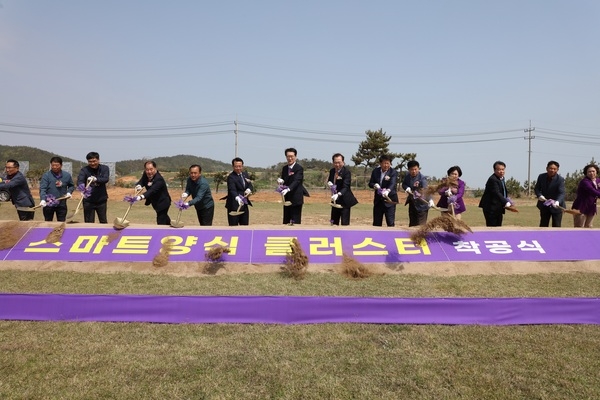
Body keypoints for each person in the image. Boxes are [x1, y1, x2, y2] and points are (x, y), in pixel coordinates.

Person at [135, 161, 171, 225]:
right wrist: (139, 185)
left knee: (160, 219)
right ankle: (171, 227)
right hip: (155, 202)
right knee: (164, 217)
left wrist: (141, 197)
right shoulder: (145, 174)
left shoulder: (159, 179)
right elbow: (142, 181)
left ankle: (162, 233)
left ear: (155, 168)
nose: (149, 172)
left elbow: (152, 190)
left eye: (151, 169)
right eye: (147, 170)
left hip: (163, 202)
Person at [279, 148, 309, 224]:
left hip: (296, 199)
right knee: (286, 221)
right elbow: (284, 180)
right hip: (287, 199)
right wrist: (281, 182)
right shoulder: (285, 168)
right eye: (288, 156)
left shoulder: (299, 168)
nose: (290, 158)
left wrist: (288, 189)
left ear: (295, 156)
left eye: (292, 156)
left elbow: (297, 181)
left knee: (295, 222)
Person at [77, 152, 110, 223]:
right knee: (89, 222)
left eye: (94, 161)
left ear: (98, 160)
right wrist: (82, 189)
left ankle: (104, 234)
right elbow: (80, 180)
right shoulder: (84, 170)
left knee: (103, 220)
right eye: (90, 162)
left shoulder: (104, 168)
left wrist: (96, 179)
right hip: (88, 201)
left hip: (101, 200)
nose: (92, 163)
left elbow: (106, 179)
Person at [39, 156, 75, 222]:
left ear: (61, 165)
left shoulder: (67, 175)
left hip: (61, 204)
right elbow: (43, 189)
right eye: (53, 165)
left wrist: (69, 192)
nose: (55, 167)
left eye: (57, 165)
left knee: (61, 223)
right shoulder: (46, 176)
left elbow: (71, 186)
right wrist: (43, 199)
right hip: (48, 203)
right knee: (48, 222)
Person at [478, 161, 513, 227]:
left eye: (503, 169)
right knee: (492, 227)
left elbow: (503, 191)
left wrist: (507, 200)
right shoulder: (492, 179)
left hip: (498, 207)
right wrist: (506, 202)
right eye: (499, 169)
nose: (501, 171)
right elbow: (497, 192)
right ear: (494, 170)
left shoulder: (501, 178)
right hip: (491, 207)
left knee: (498, 226)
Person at [327, 153, 358, 226]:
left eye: (339, 162)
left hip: (345, 201)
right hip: (335, 201)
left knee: (345, 224)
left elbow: (346, 186)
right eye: (335, 162)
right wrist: (330, 184)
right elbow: (330, 181)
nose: (337, 165)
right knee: (333, 223)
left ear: (343, 162)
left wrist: (338, 194)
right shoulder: (332, 171)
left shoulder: (346, 172)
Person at [368, 154, 398, 227]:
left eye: (388, 163)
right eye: (384, 163)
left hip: (389, 200)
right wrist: (374, 185)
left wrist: (387, 191)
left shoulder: (393, 172)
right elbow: (370, 183)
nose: (386, 165)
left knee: (390, 222)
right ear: (380, 163)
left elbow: (392, 183)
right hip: (378, 201)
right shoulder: (375, 171)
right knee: (376, 223)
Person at [534, 160, 566, 227]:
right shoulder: (541, 177)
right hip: (544, 205)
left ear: (557, 170)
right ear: (547, 168)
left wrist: (557, 201)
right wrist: (539, 195)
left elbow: (562, 193)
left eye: (554, 169)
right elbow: (537, 188)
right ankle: (542, 237)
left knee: (556, 226)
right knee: (543, 225)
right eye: (550, 168)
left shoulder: (560, 179)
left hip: (556, 206)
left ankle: (555, 237)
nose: (552, 170)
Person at [401, 160, 433, 227]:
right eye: (412, 169)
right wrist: (407, 188)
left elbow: (426, 190)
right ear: (408, 170)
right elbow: (404, 184)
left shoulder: (422, 178)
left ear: (418, 168)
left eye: (415, 169)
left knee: (420, 227)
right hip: (412, 204)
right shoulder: (407, 176)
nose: (414, 171)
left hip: (422, 206)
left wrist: (430, 200)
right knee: (412, 225)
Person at [225, 157, 254, 226]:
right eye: (236, 166)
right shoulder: (231, 177)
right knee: (233, 228)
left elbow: (250, 185)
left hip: (244, 205)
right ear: (233, 167)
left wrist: (249, 189)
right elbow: (232, 190)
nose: (238, 168)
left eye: (240, 166)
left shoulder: (245, 175)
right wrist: (237, 198)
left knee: (245, 226)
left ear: (242, 166)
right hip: (234, 206)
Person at [571, 164, 600, 228]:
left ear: (596, 171)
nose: (592, 173)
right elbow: (592, 191)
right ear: (586, 173)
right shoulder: (584, 182)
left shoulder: (598, 180)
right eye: (589, 171)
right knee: (579, 227)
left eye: (593, 171)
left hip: (591, 208)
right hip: (581, 208)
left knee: (589, 227)